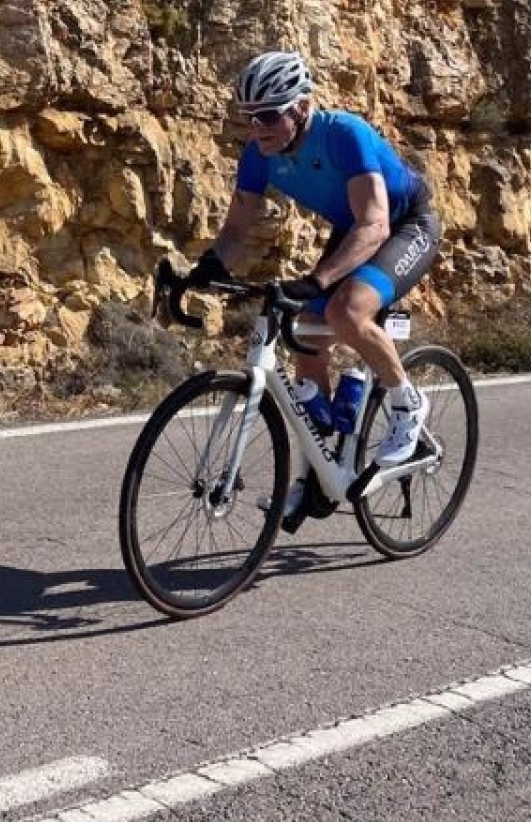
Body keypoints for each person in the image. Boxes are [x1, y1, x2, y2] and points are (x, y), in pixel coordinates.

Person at [186, 50, 443, 512]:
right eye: (248, 118)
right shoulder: (258, 154)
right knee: (305, 328)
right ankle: (321, 474)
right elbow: (238, 227)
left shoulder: (344, 135)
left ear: (301, 106)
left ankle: (407, 404)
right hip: (356, 226)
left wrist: (318, 278)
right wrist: (208, 269)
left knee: (346, 310)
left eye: (267, 115)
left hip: (404, 224)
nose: (257, 127)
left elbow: (376, 225)